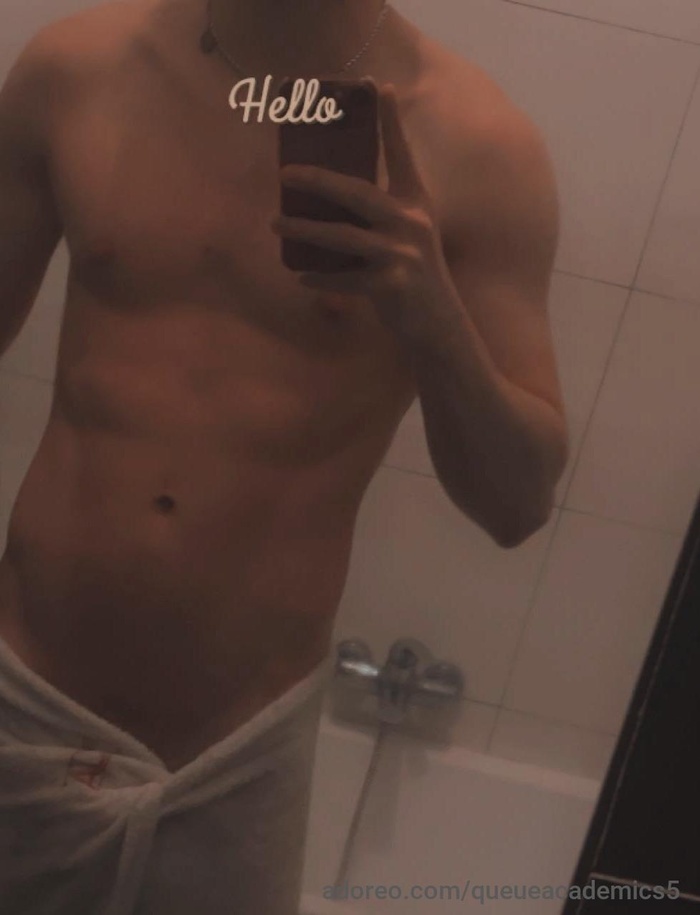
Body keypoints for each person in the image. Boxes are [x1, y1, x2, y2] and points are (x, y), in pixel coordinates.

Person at [0, 0, 569, 911]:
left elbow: (517, 504)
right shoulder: (76, 68)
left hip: (234, 759)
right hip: (22, 700)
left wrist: (433, 319)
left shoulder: (479, 146)